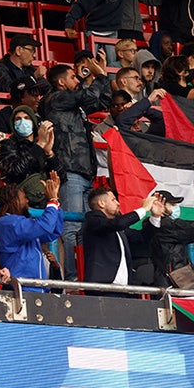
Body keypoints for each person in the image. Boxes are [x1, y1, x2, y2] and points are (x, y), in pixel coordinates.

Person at [43, 59, 112, 278]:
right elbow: (91, 95)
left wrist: (102, 77)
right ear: (61, 82)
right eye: (73, 77)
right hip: (69, 171)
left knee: (84, 229)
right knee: (72, 227)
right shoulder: (56, 98)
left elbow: (104, 100)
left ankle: (83, 275)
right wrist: (99, 75)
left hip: (83, 171)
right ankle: (72, 277)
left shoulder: (72, 103)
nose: (78, 79)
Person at [0, 173, 63, 292]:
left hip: (35, 289)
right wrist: (51, 200)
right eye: (23, 197)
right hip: (20, 290)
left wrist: (55, 200)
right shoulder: (7, 222)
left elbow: (53, 231)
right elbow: (45, 226)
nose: (27, 201)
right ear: (14, 200)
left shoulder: (23, 223)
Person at [143, 181, 194, 288]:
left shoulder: (160, 224)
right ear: (160, 205)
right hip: (173, 281)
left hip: (173, 280)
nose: (177, 207)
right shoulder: (165, 225)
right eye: (173, 204)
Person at [82, 187, 157, 285]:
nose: (118, 203)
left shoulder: (118, 227)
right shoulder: (93, 219)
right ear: (101, 203)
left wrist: (155, 217)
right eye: (113, 200)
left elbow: (142, 237)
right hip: (102, 287)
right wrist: (144, 209)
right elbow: (117, 224)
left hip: (125, 288)